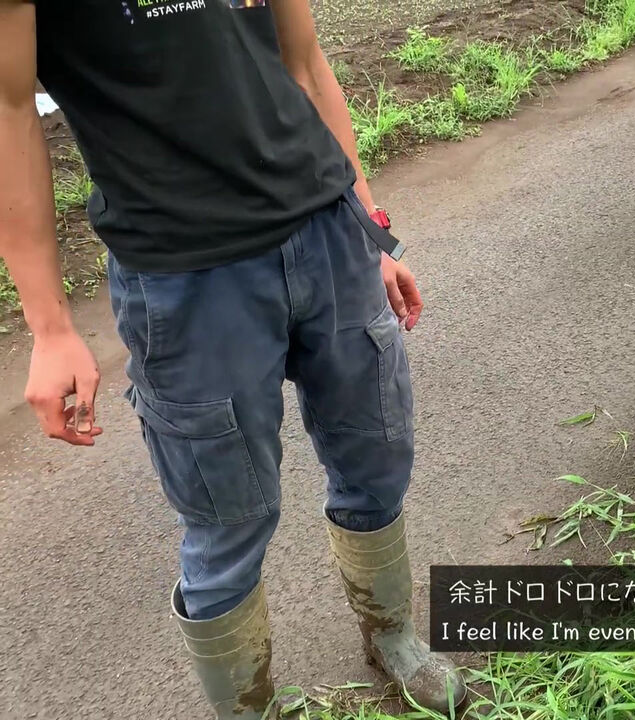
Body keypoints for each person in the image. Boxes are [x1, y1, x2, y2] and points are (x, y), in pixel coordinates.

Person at [0, 1, 464, 717]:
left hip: (329, 232)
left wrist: (371, 227)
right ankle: (250, 708)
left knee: (378, 452)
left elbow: (304, 60)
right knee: (228, 516)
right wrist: (50, 326)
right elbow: (9, 112)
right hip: (184, 275)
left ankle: (391, 634)